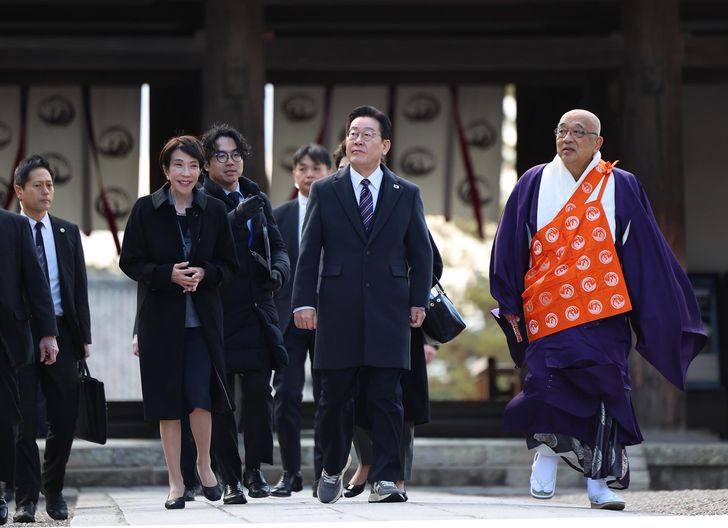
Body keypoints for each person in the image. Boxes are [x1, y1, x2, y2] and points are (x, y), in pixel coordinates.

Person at [489, 109, 706, 510]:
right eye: (561, 131)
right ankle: (548, 455)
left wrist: (658, 305)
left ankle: (599, 482)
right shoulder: (533, 182)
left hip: (602, 308)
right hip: (548, 305)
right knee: (546, 383)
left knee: (606, 390)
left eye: (578, 132)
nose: (567, 138)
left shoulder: (620, 184)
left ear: (597, 142)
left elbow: (644, 250)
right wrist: (508, 300)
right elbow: (509, 244)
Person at [292, 105, 433, 504]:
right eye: (353, 133)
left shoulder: (406, 193)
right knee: (334, 397)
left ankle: (386, 479)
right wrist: (303, 302)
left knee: (387, 397)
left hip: (390, 310)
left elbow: (420, 254)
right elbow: (309, 252)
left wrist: (419, 300)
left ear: (385, 145)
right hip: (336, 310)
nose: (357, 139)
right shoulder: (325, 189)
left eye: (367, 134)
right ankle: (332, 466)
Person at [119, 135, 237, 510]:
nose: (185, 173)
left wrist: (204, 272)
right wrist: (166, 274)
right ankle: (175, 481)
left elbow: (229, 265)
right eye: (178, 165)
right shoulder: (145, 210)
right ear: (166, 170)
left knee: (200, 398)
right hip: (160, 322)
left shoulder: (214, 210)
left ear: (202, 169)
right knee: (167, 402)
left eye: (192, 165)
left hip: (202, 323)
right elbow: (130, 262)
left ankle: (204, 466)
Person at [200, 123, 290, 503]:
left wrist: (280, 271)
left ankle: (254, 469)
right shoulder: (201, 199)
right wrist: (235, 219)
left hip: (256, 308)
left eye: (236, 154)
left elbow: (280, 246)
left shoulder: (255, 195)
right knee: (220, 398)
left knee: (258, 394)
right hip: (219, 309)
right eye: (220, 155)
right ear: (206, 164)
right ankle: (229, 476)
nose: (230, 162)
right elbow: (204, 248)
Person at [11, 155, 91, 523]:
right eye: (38, 185)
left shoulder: (66, 231)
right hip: (18, 335)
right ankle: (26, 498)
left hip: (63, 334)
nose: (46, 192)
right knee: (22, 419)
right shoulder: (9, 231)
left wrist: (83, 338)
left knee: (64, 415)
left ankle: (53, 489)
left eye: (50, 185)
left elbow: (78, 290)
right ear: (19, 191)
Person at [271, 144, 333, 497]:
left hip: (328, 317)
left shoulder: (339, 212)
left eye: (317, 168)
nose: (309, 175)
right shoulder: (279, 216)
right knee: (286, 395)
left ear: (329, 173)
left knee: (327, 396)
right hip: (286, 317)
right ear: (294, 174)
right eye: (303, 169)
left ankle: (324, 472)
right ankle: (290, 472)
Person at [0, 206, 58, 526]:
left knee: (8, 418)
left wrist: (47, 333)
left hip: (7, 339)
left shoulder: (15, 226)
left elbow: (36, 284)